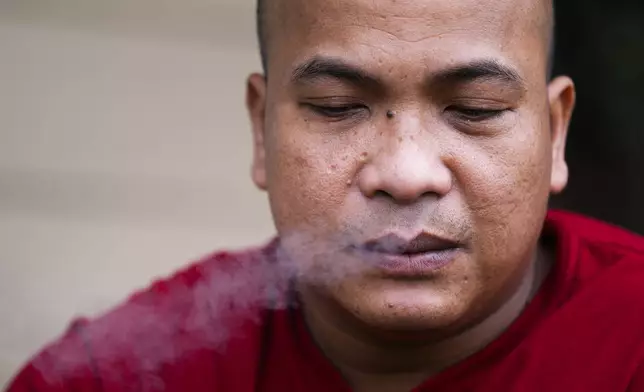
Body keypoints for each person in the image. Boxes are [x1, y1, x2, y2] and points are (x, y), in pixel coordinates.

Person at [6, 0, 644, 391]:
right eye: (337, 108)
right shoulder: (116, 375)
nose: (406, 173)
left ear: (554, 133)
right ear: (262, 129)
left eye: (473, 109)